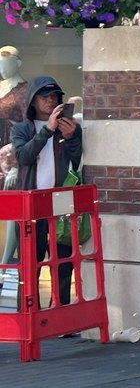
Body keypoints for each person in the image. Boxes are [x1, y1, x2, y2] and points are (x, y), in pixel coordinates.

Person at [9, 76, 82, 307]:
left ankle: (59, 312)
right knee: (30, 261)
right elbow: (24, 156)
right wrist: (47, 130)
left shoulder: (68, 128)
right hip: (32, 201)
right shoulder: (22, 129)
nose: (50, 101)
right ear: (33, 101)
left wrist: (71, 137)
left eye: (53, 96)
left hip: (61, 201)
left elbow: (78, 161)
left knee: (63, 260)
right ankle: (30, 312)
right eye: (44, 97)